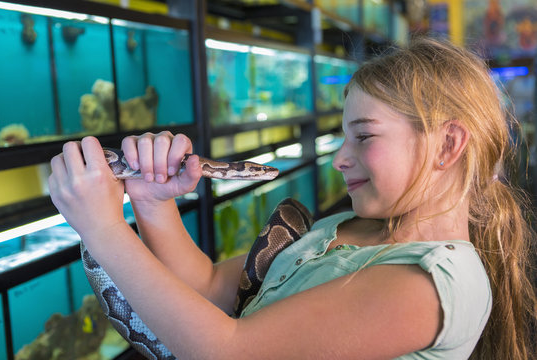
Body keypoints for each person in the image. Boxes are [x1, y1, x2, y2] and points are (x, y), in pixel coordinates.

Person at [48, 37, 536, 359]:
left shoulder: (429, 283)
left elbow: (230, 352)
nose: (339, 159)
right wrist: (153, 203)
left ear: (448, 145)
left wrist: (105, 231)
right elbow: (206, 285)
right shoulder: (343, 228)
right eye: (342, 138)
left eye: (363, 137)